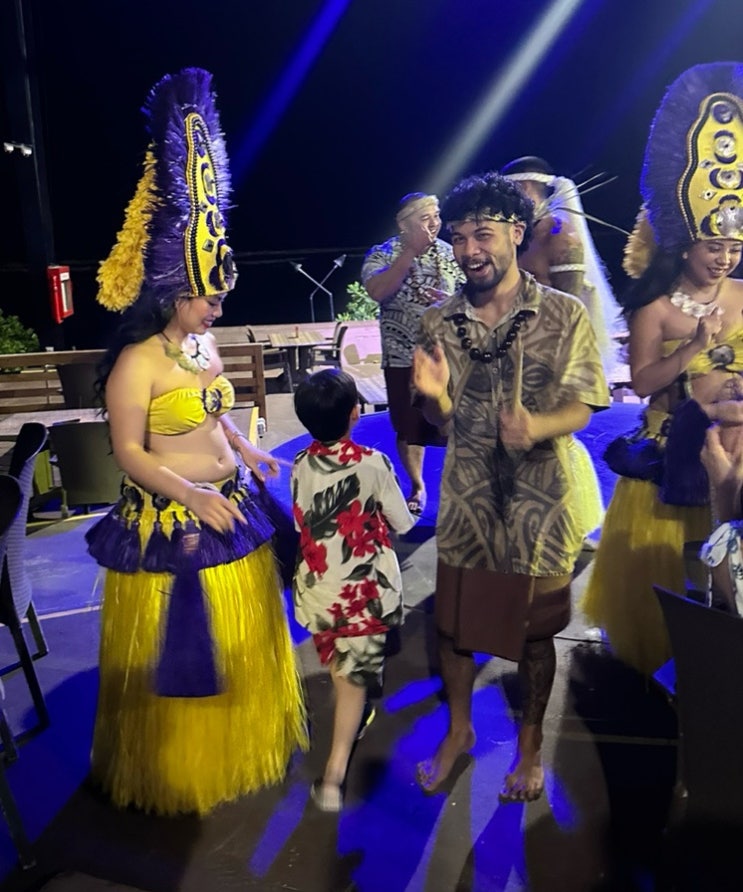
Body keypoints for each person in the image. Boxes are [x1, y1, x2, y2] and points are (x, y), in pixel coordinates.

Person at [85, 68, 307, 816]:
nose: (217, 309)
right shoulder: (136, 363)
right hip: (176, 520)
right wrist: (191, 493)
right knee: (187, 652)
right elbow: (129, 454)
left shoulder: (203, 349)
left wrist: (244, 452)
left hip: (228, 505)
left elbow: (215, 414)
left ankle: (239, 749)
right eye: (208, 298)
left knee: (242, 644)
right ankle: (184, 771)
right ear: (173, 292)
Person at [412, 172, 609, 802]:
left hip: (539, 504)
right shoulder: (438, 322)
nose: (470, 250)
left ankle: (529, 750)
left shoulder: (564, 314)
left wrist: (538, 426)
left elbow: (585, 403)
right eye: (459, 237)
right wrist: (435, 399)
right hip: (467, 501)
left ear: (516, 233)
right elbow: (441, 421)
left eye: (484, 235)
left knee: (534, 636)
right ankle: (459, 730)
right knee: (451, 630)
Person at [580, 62, 743, 677]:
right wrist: (692, 346)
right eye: (713, 247)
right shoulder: (654, 307)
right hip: (673, 451)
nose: (724, 260)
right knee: (676, 573)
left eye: (734, 248)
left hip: (737, 451)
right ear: (685, 245)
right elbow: (643, 382)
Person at [291, 368, 416, 811]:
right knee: (351, 685)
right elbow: (402, 522)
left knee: (341, 671)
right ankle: (333, 777)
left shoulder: (301, 464)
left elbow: (303, 524)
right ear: (355, 413)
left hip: (319, 589)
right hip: (363, 593)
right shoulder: (373, 463)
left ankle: (355, 706)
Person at [502, 155, 622, 543]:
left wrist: (551, 354)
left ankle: (569, 519)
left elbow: (569, 305)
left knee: (554, 436)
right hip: (520, 345)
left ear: (529, 188)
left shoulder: (560, 234)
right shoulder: (521, 233)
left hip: (554, 348)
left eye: (512, 190)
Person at [361, 192, 465, 516]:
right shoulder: (383, 253)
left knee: (456, 423)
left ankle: (459, 485)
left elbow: (475, 296)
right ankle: (418, 485)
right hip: (401, 356)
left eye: (436, 216)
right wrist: (409, 253)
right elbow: (377, 291)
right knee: (409, 428)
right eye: (424, 218)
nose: (433, 223)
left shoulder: (452, 253)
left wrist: (449, 301)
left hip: (450, 357)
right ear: (403, 224)